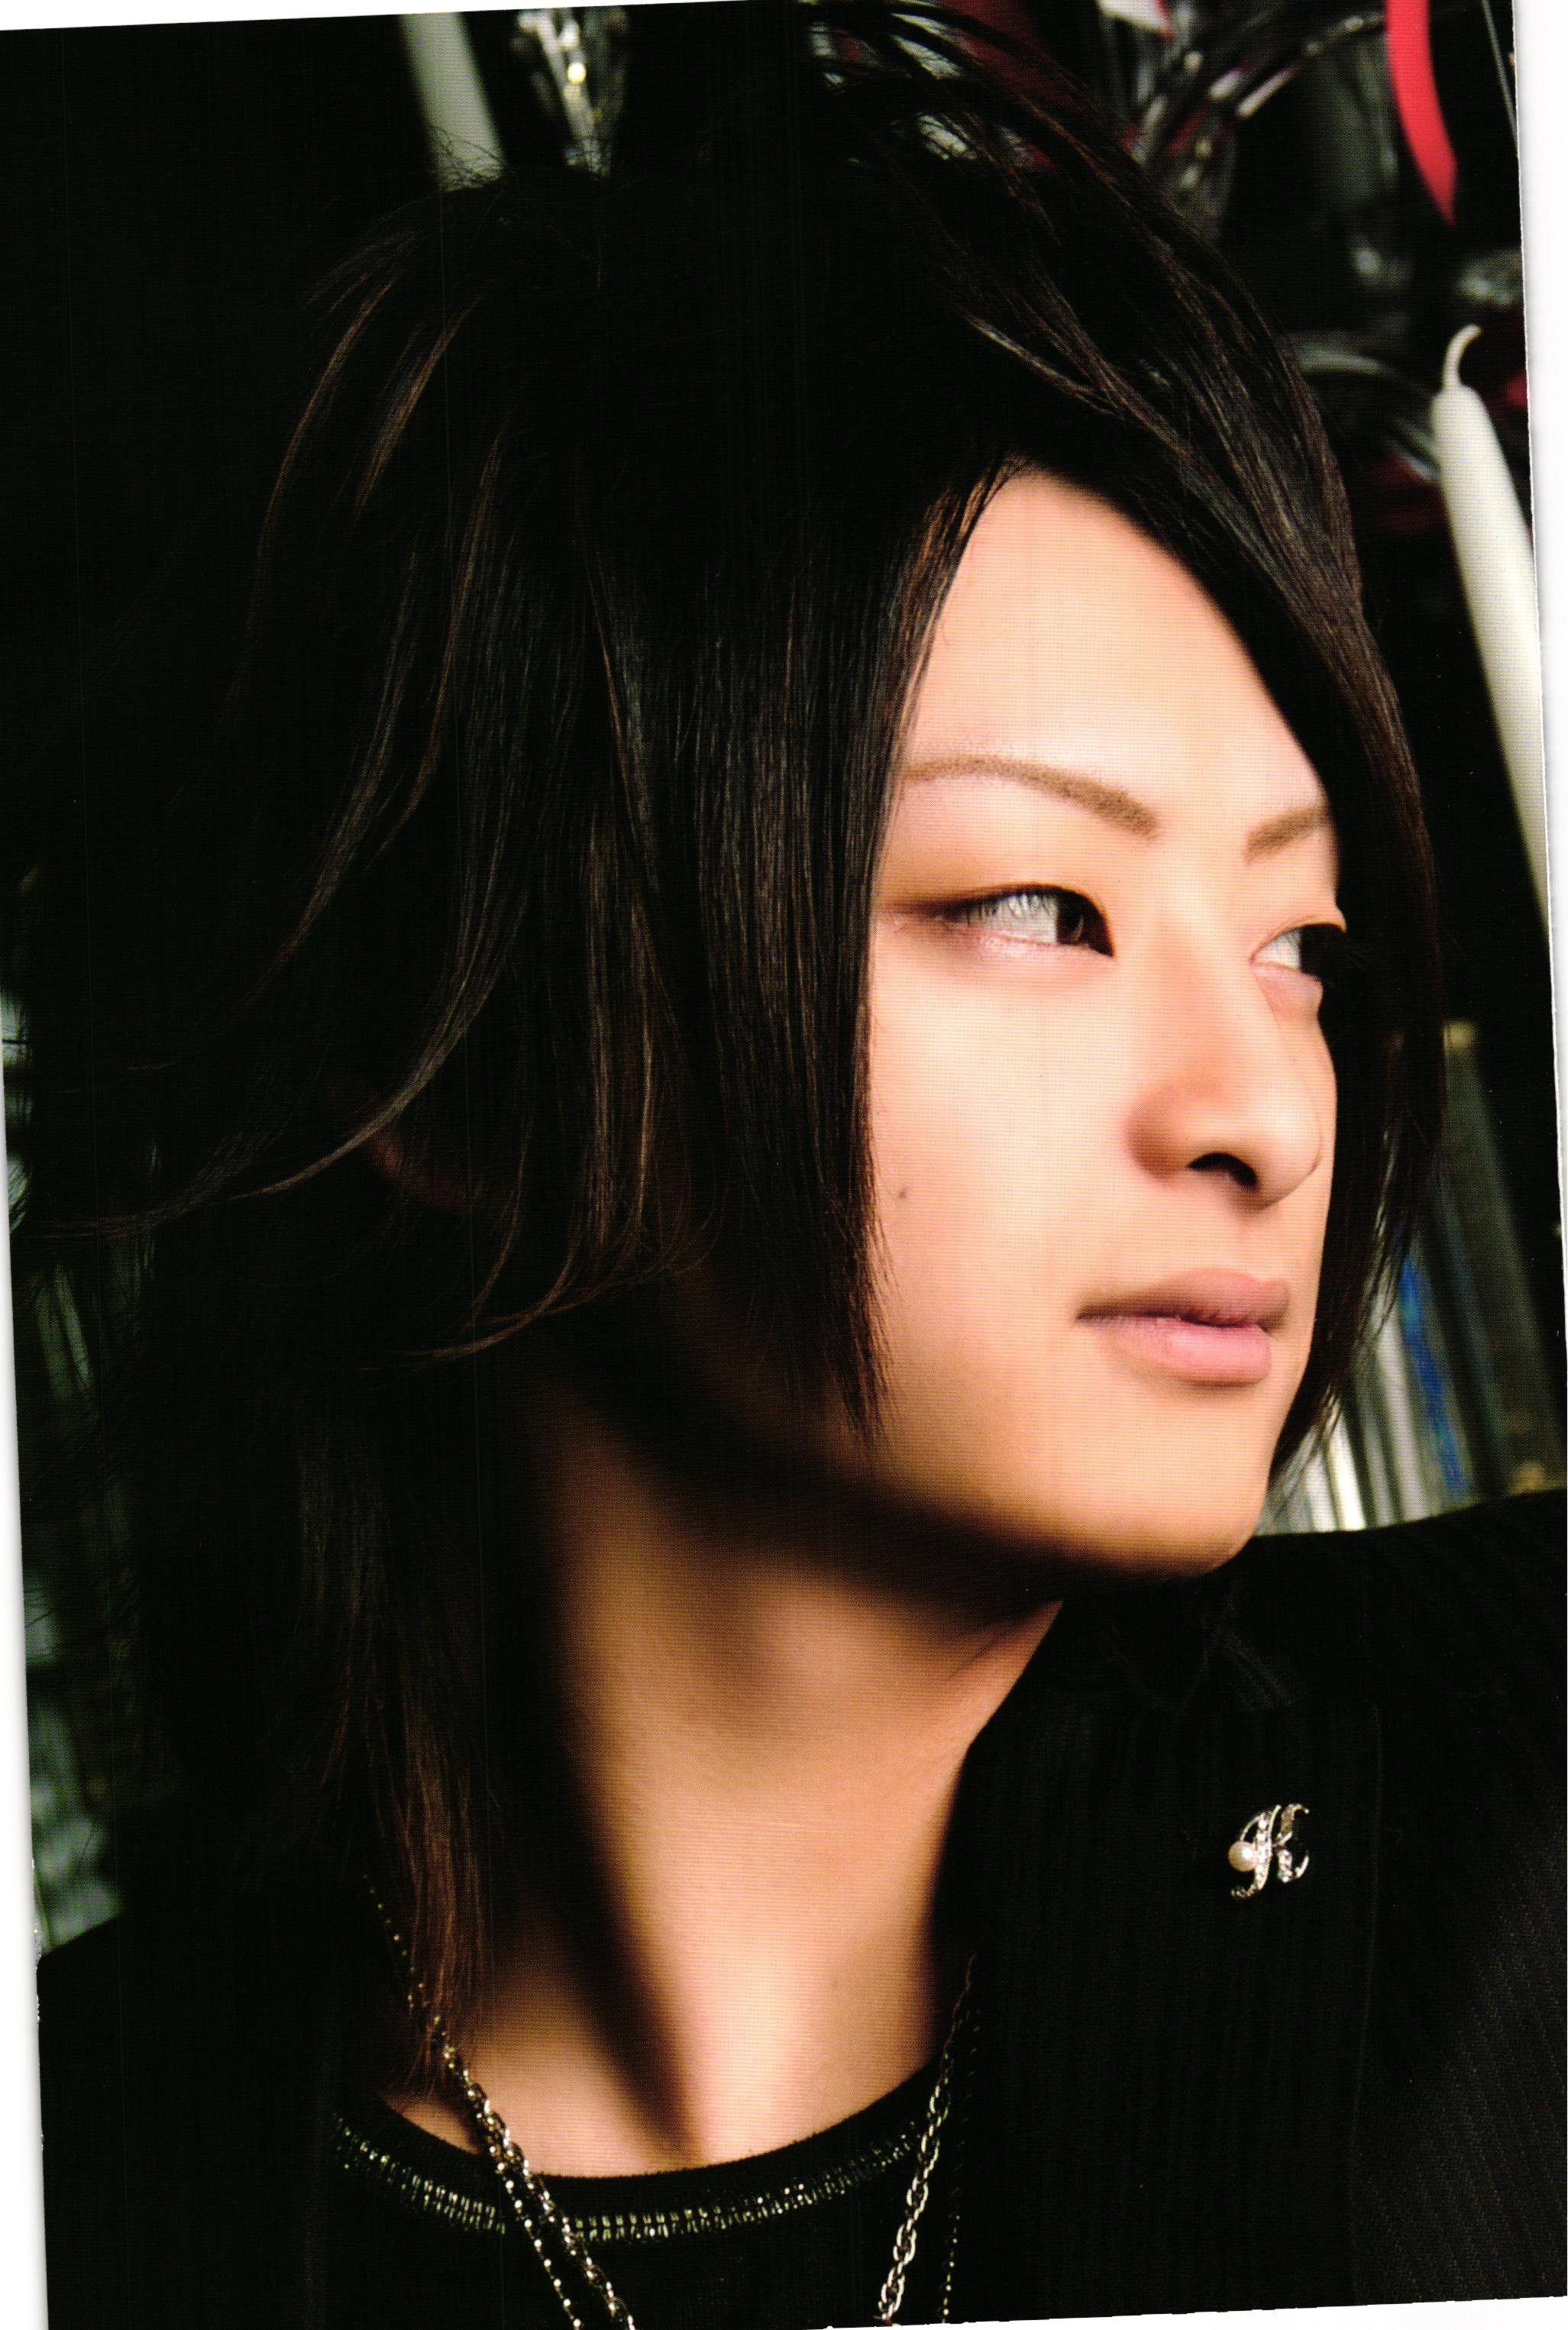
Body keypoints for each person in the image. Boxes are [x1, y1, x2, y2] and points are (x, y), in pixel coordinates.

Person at [11, 8, 1560, 2326]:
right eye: (1034, 905)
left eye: (1302, 947)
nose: (1261, 1111)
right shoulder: (102, 2175)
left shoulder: (1528, 1829)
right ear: (464, 1058)